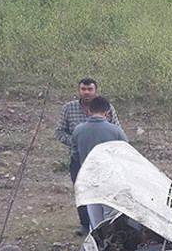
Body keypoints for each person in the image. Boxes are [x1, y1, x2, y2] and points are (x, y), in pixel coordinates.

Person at [55, 78, 120, 232]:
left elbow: (117, 130)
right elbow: (59, 132)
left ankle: (106, 227)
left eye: (89, 89)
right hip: (80, 158)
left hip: (104, 160)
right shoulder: (69, 108)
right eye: (83, 89)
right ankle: (86, 225)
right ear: (79, 90)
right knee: (83, 192)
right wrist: (79, 141)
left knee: (105, 194)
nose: (86, 92)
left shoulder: (106, 107)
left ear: (95, 91)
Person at [71, 96, 129, 230]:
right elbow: (126, 154)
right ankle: (110, 243)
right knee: (110, 214)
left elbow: (75, 154)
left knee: (94, 215)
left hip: (88, 178)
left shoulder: (78, 130)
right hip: (109, 178)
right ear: (107, 113)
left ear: (89, 112)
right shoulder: (116, 131)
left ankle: (96, 241)